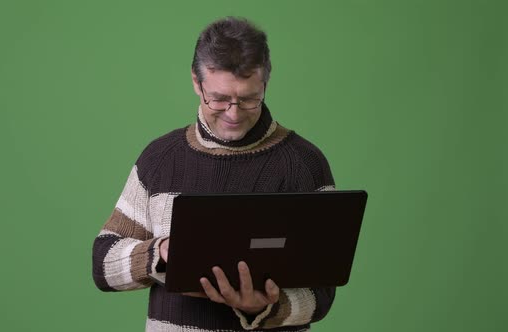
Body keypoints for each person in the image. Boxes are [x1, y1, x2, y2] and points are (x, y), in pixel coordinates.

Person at [92, 16, 337, 331]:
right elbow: (103, 266)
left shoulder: (304, 163)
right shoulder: (160, 158)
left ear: (266, 83)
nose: (233, 114)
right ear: (196, 81)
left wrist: (264, 307)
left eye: (248, 99)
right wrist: (161, 253)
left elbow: (323, 294)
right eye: (219, 99)